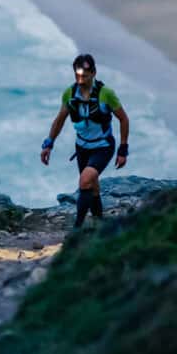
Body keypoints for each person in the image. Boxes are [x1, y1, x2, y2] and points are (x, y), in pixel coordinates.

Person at [40, 54, 129, 228]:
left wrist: (123, 149)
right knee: (93, 187)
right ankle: (98, 224)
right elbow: (60, 120)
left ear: (94, 73)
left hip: (103, 147)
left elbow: (124, 119)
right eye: (77, 75)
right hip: (82, 147)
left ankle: (77, 229)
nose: (80, 80)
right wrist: (49, 144)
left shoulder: (106, 94)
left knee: (85, 180)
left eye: (85, 76)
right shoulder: (70, 93)